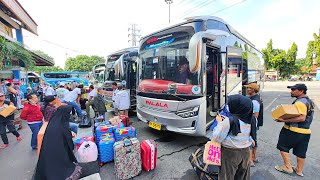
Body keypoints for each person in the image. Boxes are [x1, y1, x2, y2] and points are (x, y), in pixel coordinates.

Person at [211, 94, 256, 180]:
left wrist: (220, 123)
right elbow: (247, 133)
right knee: (242, 176)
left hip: (230, 153)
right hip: (245, 152)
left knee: (226, 176)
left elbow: (217, 137)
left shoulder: (229, 121)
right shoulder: (252, 119)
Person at [274, 83, 314, 177]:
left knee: (282, 146)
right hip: (305, 132)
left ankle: (287, 167)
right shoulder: (309, 101)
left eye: (293, 90)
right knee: (301, 151)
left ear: (301, 91)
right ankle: (299, 170)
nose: (291, 91)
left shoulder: (300, 103)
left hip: (293, 130)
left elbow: (302, 118)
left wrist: (284, 120)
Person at [34, 105, 82, 180]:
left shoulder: (54, 122)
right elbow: (69, 144)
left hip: (47, 157)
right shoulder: (62, 125)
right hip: (58, 158)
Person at [244, 83, 264, 167]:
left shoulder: (255, 101)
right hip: (254, 123)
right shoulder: (255, 98)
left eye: (249, 88)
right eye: (247, 88)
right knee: (254, 139)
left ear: (253, 90)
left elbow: (255, 115)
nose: (247, 89)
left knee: (250, 140)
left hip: (252, 123)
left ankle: (250, 160)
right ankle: (254, 157)